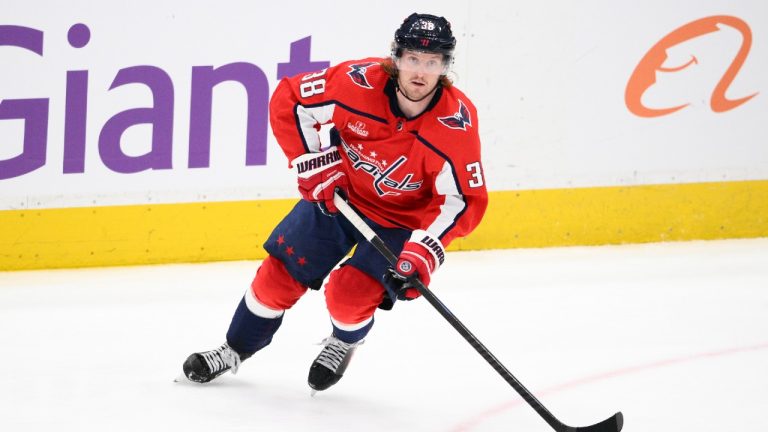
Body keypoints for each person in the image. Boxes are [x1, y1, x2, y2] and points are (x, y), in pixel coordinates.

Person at [181, 12, 488, 393]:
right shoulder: (355, 82)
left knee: (349, 296)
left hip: (399, 223)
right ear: (395, 57)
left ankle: (344, 341)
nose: (420, 72)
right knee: (276, 279)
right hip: (340, 196)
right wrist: (314, 163)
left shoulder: (455, 124)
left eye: (432, 62)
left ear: (445, 67)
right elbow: (290, 99)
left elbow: (462, 199)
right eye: (412, 58)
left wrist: (423, 252)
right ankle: (234, 348)